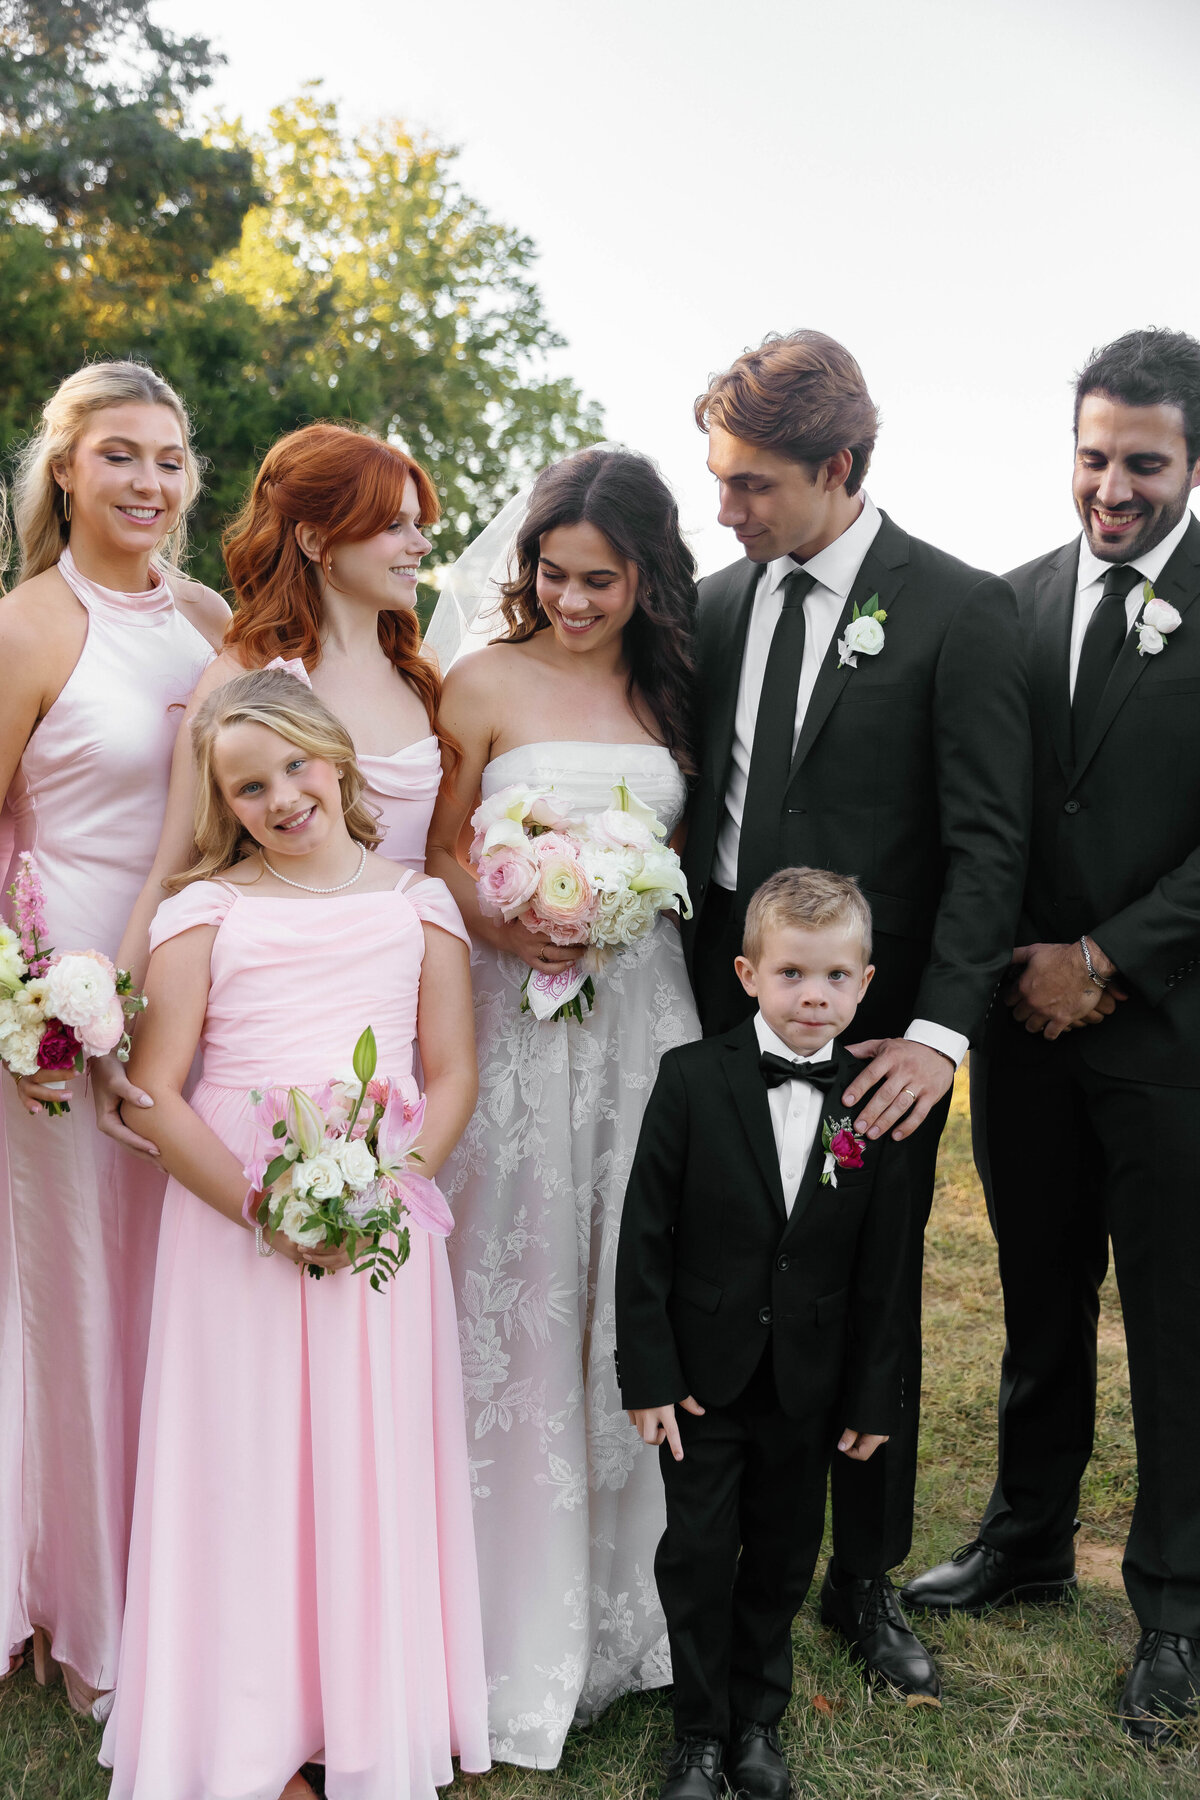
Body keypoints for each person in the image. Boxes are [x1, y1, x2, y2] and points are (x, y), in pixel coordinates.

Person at [681, 331, 1030, 1698]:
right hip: (716, 1011)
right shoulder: (710, 607)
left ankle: (863, 1581)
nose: (727, 510)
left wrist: (940, 1034)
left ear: (838, 467)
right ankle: (717, 1556)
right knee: (723, 1289)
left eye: (753, 486)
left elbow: (989, 842)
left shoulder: (958, 609)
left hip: (874, 1034)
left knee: (869, 1303)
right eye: (718, 480)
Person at [99, 669, 489, 1799]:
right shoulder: (204, 909)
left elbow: (452, 1070)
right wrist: (267, 1208)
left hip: (380, 1206)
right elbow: (154, 1093)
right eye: (249, 785)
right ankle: (251, 1730)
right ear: (226, 804)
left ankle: (362, 1720)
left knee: (364, 1459)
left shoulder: (420, 900)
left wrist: (385, 1186)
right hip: (235, 1215)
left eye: (295, 767)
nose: (281, 796)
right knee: (250, 1461)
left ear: (337, 758)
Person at [902, 327, 1200, 1747]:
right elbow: (989, 813)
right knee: (1038, 1295)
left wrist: (1109, 959)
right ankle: (1026, 1537)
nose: (1112, 487)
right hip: (1023, 1031)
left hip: (1172, 1034)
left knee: (1178, 1323)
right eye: (1094, 456)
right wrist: (1016, 974)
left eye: (1142, 461)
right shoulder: (1007, 607)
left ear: (1192, 460)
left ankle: (1179, 1608)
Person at [425, 446, 700, 1767]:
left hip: (647, 1023)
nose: (577, 601)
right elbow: (430, 846)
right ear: (524, 567)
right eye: (555, 574)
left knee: (632, 1289)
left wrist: (618, 898)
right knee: (518, 1282)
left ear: (645, 575)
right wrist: (508, 908)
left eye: (603, 579)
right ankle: (495, 1613)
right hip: (516, 1028)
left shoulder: (667, 687)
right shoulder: (475, 680)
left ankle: (629, 1606)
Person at [0, 360, 227, 1707]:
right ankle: (90, 1617)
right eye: (122, 457)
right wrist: (25, 995)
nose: (150, 482)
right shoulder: (27, 623)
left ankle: (191, 1579)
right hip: (62, 995)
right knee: (80, 1289)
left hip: (196, 989)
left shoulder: (210, 621)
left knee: (177, 1294)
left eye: (171, 458)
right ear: (67, 471)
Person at [616, 869, 911, 1800]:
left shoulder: (876, 1103)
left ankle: (758, 1728)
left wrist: (871, 1396)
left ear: (865, 983)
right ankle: (699, 1736)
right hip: (703, 1381)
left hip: (809, 1388)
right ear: (747, 974)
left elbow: (885, 1271)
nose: (812, 995)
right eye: (790, 974)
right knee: (698, 1558)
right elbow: (644, 1239)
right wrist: (650, 1375)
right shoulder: (691, 1078)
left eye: (833, 976)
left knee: (784, 1556)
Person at [100, 422, 452, 1154]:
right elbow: (173, 866)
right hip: (290, 1022)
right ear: (319, 541)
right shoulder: (246, 681)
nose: (420, 546)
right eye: (394, 527)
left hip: (413, 1012)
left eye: (419, 527)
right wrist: (111, 1026)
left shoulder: (424, 680)